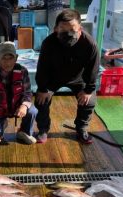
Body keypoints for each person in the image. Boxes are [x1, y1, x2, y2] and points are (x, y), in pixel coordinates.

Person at [35, 9, 100, 144]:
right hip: (53, 78)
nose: (68, 33)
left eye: (72, 29)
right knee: (41, 100)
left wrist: (88, 90)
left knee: (90, 101)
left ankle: (81, 129)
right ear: (55, 29)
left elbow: (93, 69)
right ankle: (43, 129)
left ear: (80, 29)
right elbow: (42, 68)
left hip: (78, 78)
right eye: (63, 30)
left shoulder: (90, 44)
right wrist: (42, 88)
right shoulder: (48, 43)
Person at [0, 41, 37, 145]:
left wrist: (24, 105)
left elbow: (28, 93)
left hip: (17, 107)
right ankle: (1, 124)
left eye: (11, 58)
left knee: (32, 110)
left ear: (16, 58)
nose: (8, 62)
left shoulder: (23, 71)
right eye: (4, 58)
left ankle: (24, 132)